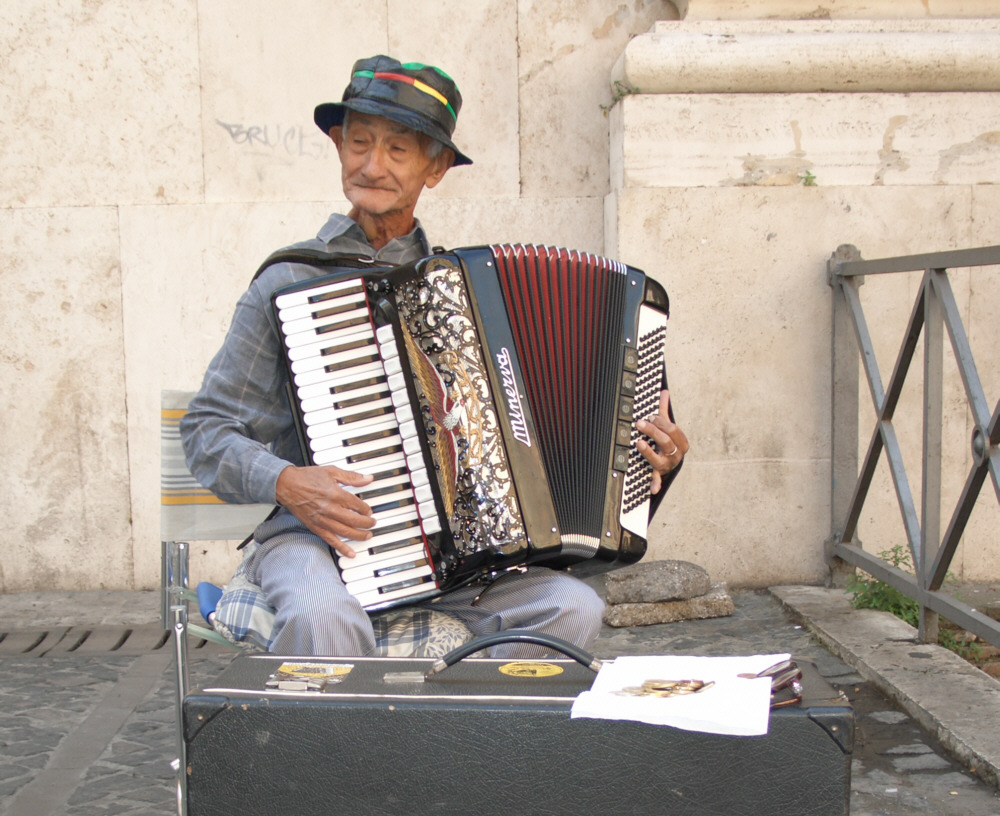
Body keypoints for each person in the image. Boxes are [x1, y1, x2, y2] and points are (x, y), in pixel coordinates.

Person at [181, 55, 688, 659]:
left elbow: (591, 447)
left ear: (436, 166)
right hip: (318, 541)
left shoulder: (469, 297)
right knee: (324, 620)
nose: (372, 165)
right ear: (339, 147)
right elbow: (206, 432)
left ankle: (473, 750)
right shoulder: (289, 282)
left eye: (397, 150)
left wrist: (656, 460)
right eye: (359, 142)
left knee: (572, 608)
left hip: (455, 562)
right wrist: (288, 482)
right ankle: (341, 756)